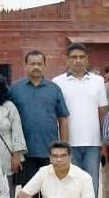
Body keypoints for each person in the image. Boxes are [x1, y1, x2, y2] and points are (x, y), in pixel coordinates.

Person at [53, 43, 107, 198]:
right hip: (68, 146)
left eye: (81, 57)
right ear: (66, 59)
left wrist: (104, 143)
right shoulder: (58, 82)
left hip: (93, 145)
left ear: (87, 59)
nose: (77, 60)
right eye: (73, 57)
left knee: (90, 190)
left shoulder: (98, 81)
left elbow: (103, 114)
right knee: (67, 190)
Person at [8, 51, 70, 180]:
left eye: (39, 64)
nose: (36, 66)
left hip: (49, 150)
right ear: (25, 66)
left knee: (50, 191)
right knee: (29, 191)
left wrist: (63, 147)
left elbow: (63, 119)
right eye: (32, 64)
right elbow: (8, 119)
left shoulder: (54, 89)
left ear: (44, 66)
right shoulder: (15, 89)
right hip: (25, 150)